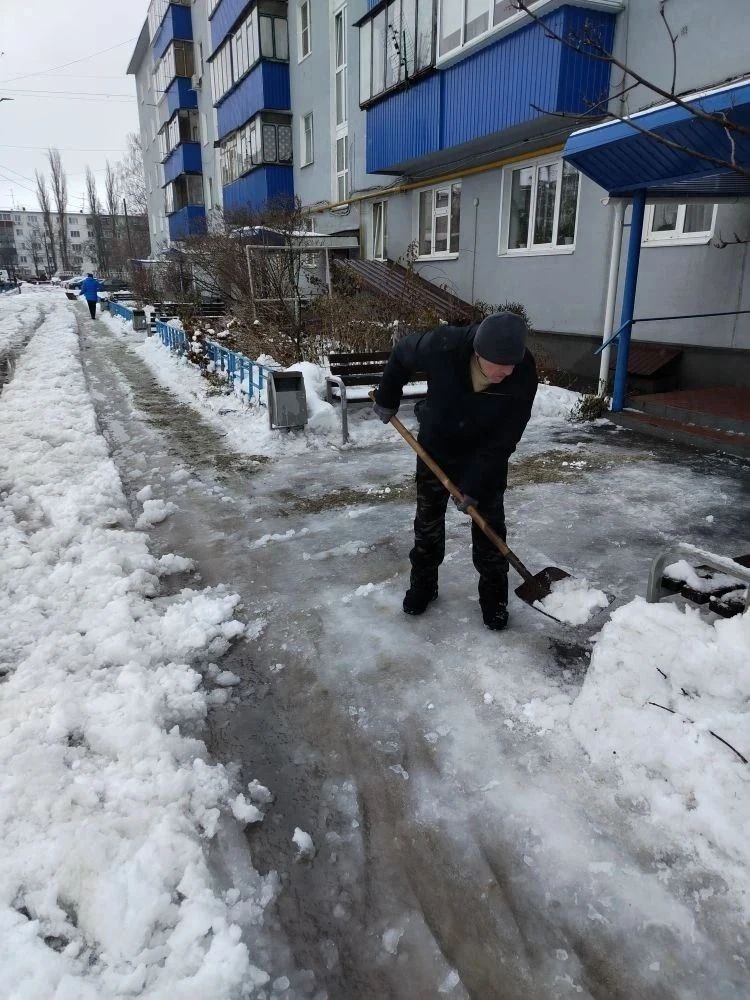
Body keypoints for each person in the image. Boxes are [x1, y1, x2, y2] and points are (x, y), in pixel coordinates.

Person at [373, 312, 538, 631]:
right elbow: (402, 354)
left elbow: (506, 437)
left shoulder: (523, 370)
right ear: (478, 352)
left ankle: (494, 600)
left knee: (490, 529)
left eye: (512, 364)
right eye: (500, 365)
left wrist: (474, 484)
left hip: (486, 454)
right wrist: (387, 395)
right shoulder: (443, 345)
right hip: (437, 447)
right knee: (428, 523)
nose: (508, 371)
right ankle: (423, 586)